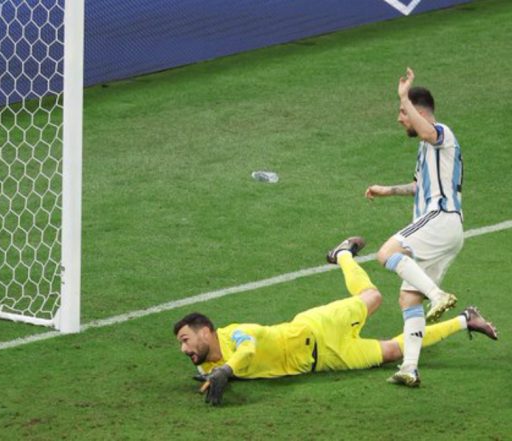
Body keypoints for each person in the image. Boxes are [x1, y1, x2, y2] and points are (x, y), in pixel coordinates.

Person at [173, 237, 497, 405]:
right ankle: (466, 320)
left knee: (373, 298)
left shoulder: (236, 335)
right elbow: (213, 373)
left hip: (317, 327)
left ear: (207, 331)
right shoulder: (205, 367)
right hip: (325, 361)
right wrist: (217, 375)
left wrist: (226, 372)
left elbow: (248, 350)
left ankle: (342, 254)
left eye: (186, 339)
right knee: (393, 353)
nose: (184, 348)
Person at [365, 67, 464, 386]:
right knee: (408, 298)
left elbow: (426, 131)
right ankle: (409, 367)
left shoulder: (442, 134)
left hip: (441, 218)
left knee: (386, 253)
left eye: (403, 113)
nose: (399, 119)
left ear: (419, 112)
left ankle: (437, 295)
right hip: (446, 230)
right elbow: (418, 187)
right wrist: (388, 190)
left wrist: (403, 95)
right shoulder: (427, 151)